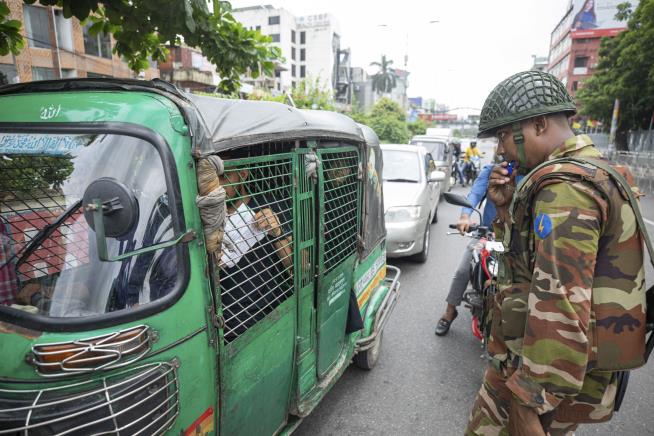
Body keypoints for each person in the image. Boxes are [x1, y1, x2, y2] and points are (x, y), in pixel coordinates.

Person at [466, 70, 647, 435]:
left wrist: (528, 401)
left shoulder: (565, 191)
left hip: (537, 379)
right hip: (537, 367)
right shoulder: (591, 172)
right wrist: (504, 211)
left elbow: (561, 302)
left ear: (539, 124)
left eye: (503, 135)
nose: (501, 148)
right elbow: (533, 266)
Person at [434, 163, 497, 336]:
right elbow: (475, 194)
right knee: (463, 270)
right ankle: (449, 312)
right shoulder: (491, 170)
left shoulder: (532, 172)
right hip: (488, 234)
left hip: (516, 239)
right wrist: (464, 217)